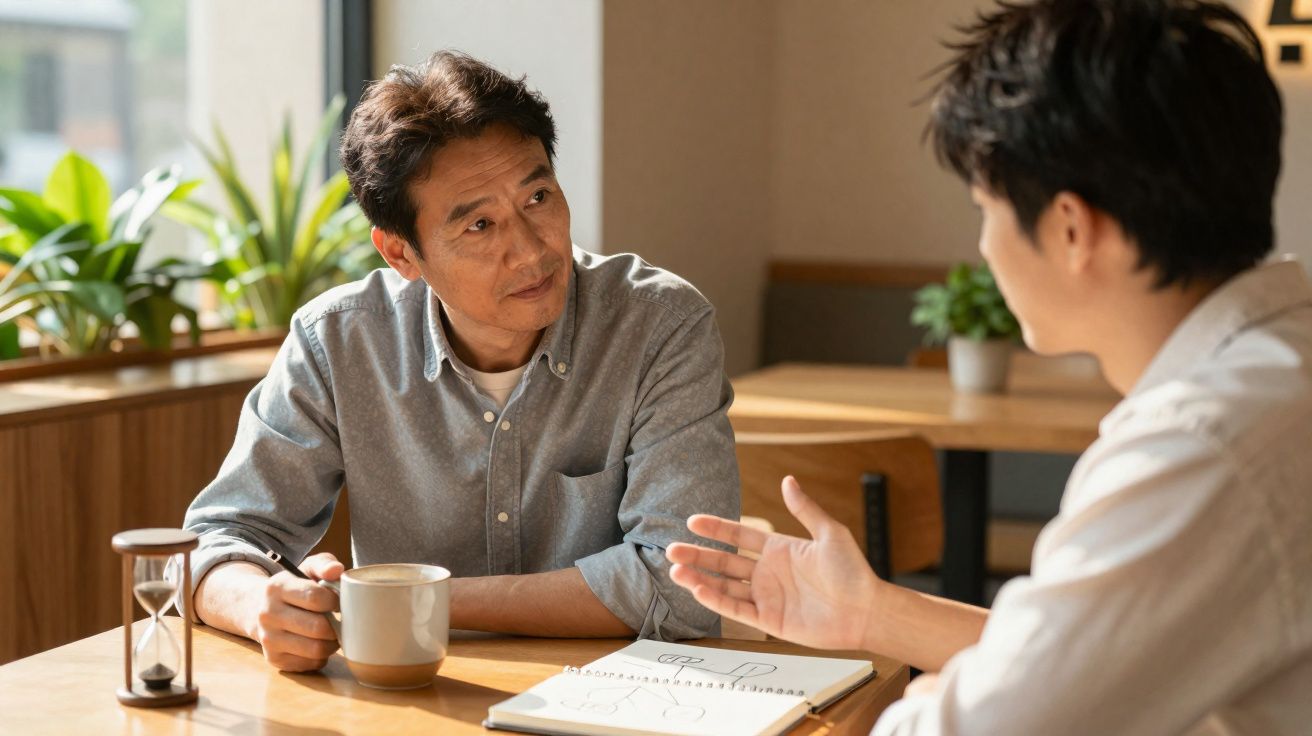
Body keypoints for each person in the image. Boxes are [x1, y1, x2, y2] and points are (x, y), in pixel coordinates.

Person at [667, 1, 1312, 733]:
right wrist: (871, 612)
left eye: (986, 207)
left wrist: (919, 704)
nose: (983, 247)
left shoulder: (1201, 445)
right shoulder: (1277, 375)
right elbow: (1093, 655)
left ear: (1071, 228)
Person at [184, 51, 739, 672]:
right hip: (413, 702)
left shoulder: (659, 326)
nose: (531, 251)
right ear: (401, 253)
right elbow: (215, 541)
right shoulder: (339, 342)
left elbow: (686, 585)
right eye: (479, 225)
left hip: (621, 700)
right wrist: (260, 605)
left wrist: (412, 600)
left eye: (537, 196)